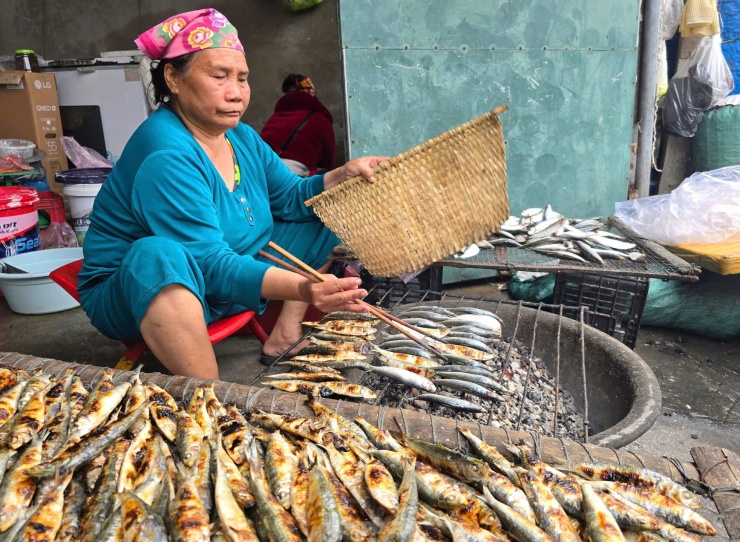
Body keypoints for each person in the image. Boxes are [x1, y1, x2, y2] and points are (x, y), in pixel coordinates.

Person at [77, 8, 386, 379]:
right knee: (157, 254)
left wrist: (341, 176)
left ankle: (284, 334)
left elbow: (291, 196)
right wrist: (306, 288)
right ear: (173, 78)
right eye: (219, 76)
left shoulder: (240, 136)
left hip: (224, 271)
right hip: (142, 289)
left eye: (242, 78)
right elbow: (209, 263)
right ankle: (213, 402)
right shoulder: (166, 153)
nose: (236, 93)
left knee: (332, 209)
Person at [260, 74, 336, 176]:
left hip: (263, 175)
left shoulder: (273, 118)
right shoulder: (320, 120)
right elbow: (328, 163)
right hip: (294, 179)